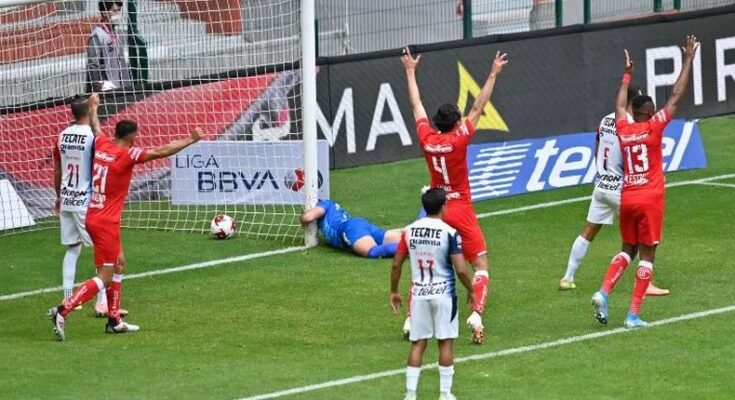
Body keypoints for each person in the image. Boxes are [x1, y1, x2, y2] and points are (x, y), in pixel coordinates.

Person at [48, 121, 202, 340]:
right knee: (105, 277)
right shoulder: (126, 156)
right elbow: (160, 151)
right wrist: (191, 140)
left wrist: (93, 107)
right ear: (133, 137)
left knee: (119, 262)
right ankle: (62, 310)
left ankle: (114, 320)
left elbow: (96, 126)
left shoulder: (102, 144)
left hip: (94, 215)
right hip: (106, 223)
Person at [400, 46, 507, 344]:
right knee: (481, 265)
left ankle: (412, 320)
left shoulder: (427, 138)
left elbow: (416, 104)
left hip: (436, 211)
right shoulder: (460, 139)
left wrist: (410, 71)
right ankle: (476, 312)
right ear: (457, 122)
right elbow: (479, 105)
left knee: (425, 265)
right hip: (460, 208)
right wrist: (492, 73)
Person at [592, 36, 698, 328]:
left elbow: (618, 105)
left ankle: (604, 290)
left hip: (627, 197)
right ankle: (633, 314)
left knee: (628, 248)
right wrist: (688, 60)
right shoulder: (654, 127)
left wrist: (627, 75)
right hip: (650, 198)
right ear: (650, 113)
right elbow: (676, 95)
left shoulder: (623, 129)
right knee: (648, 254)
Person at [559, 85, 669, 297]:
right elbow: (632, 158)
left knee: (590, 229)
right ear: (635, 102)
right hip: (622, 188)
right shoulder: (628, 125)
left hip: (601, 184)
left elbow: (597, 146)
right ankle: (646, 284)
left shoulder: (606, 120)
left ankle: (568, 277)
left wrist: (602, 172)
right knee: (637, 240)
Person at [390, 188, 475, 400]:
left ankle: (410, 395)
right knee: (445, 342)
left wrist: (394, 291)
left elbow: (396, 263)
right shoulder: (449, 233)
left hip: (418, 296)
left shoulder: (409, 231)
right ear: (444, 206)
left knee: (418, 343)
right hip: (444, 294)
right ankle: (445, 394)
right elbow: (461, 269)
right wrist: (471, 290)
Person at [53, 94, 123, 317]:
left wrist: (58, 196)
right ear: (89, 111)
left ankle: (67, 296)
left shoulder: (62, 136)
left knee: (72, 249)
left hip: (66, 198)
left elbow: (58, 170)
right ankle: (102, 302)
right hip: (86, 201)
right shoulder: (92, 137)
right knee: (102, 253)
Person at [299, 199, 402, 258]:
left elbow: (307, 217)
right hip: (359, 224)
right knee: (403, 239)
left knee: (373, 252)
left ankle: (408, 248)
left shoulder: (324, 203)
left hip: (349, 229)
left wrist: (302, 219)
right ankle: (413, 244)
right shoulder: (333, 208)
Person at [86, 0, 133, 93]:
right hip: (107, 88)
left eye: (119, 10)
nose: (118, 14)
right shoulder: (97, 35)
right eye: (115, 11)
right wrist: (98, 86)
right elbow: (93, 65)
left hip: (121, 85)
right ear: (104, 13)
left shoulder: (114, 32)